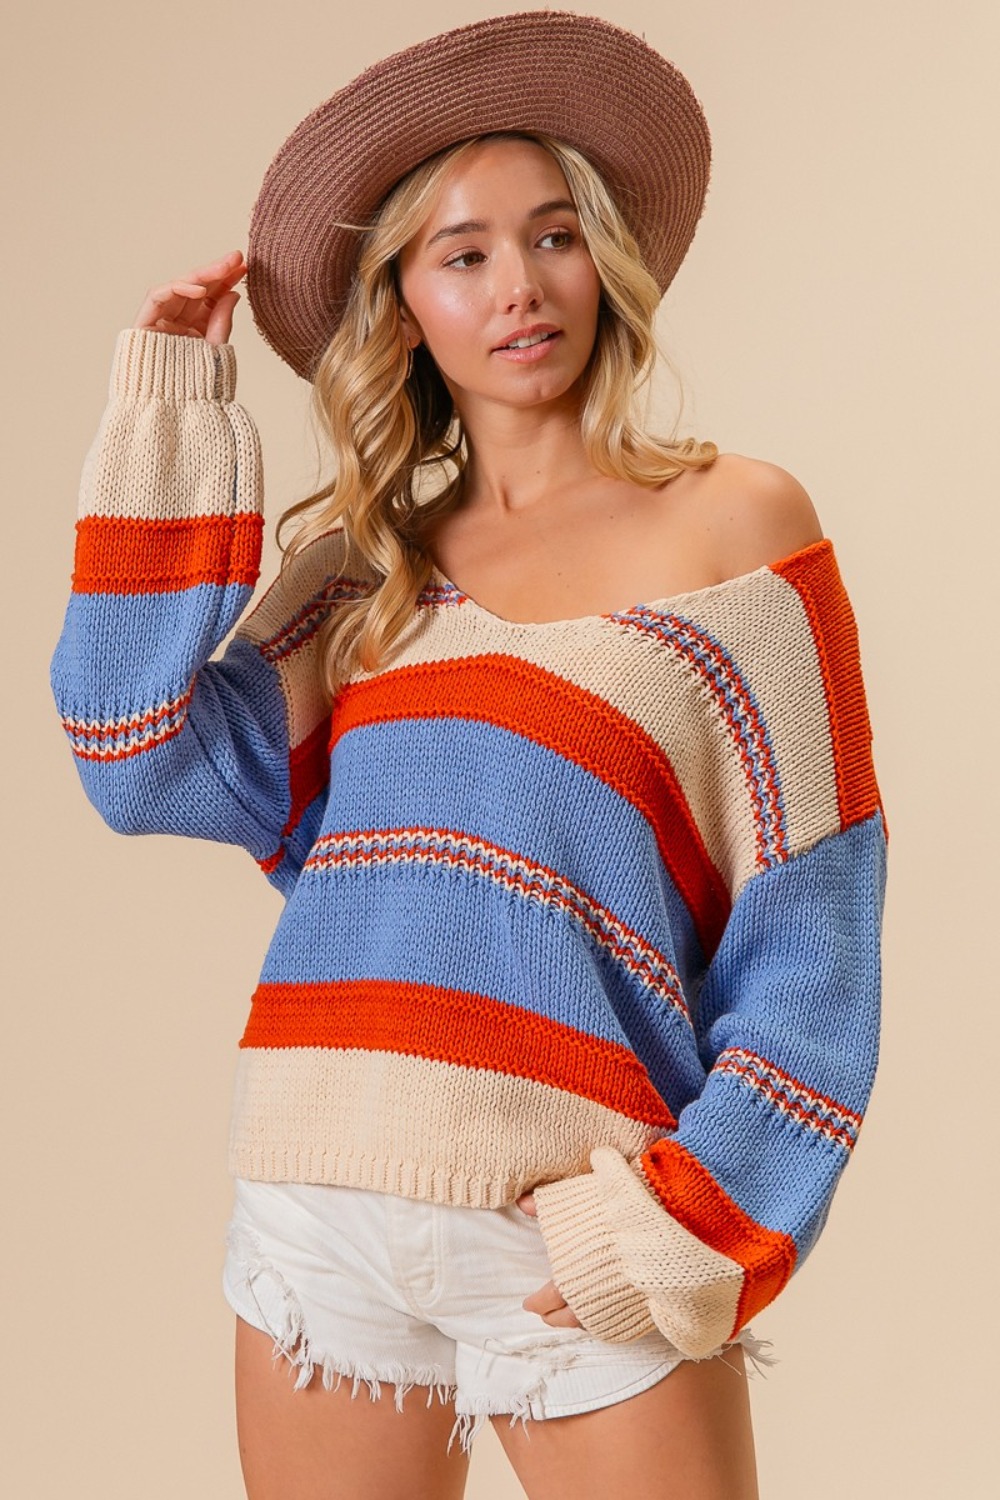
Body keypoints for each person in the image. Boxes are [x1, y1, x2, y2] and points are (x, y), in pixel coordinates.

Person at [49, 12, 887, 1500]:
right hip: (323, 1195)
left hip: (579, 1212)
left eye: (555, 235)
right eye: (464, 254)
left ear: (604, 261)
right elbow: (141, 760)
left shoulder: (739, 529)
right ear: (402, 308)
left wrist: (692, 1226)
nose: (521, 286)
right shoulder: (356, 575)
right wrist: (170, 422)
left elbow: (814, 947)